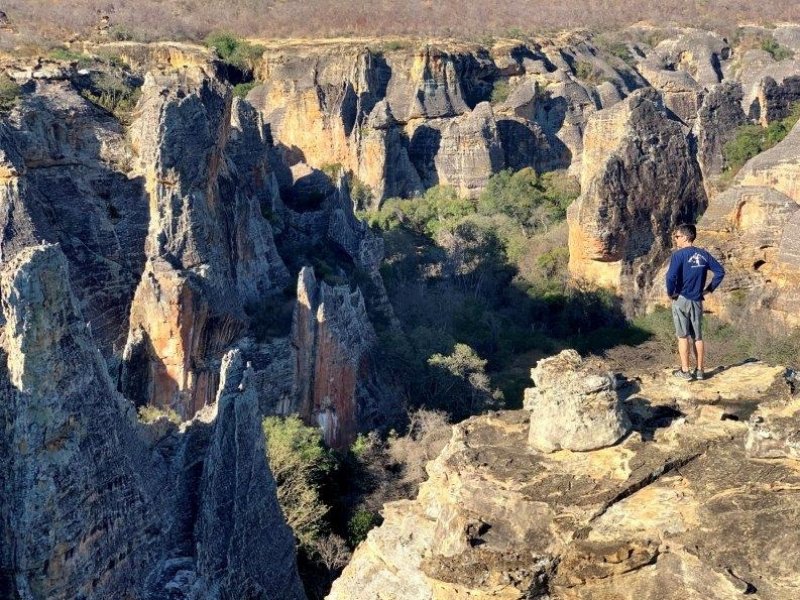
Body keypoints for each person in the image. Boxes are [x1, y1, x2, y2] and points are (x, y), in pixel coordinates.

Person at [666, 223, 725, 381]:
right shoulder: (704, 255)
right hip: (697, 299)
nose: (676, 239)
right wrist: (709, 289)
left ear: (685, 237)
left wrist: (671, 293)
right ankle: (700, 371)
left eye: (677, 236)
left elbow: (670, 277)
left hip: (681, 299)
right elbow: (720, 272)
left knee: (682, 336)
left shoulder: (678, 256)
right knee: (698, 337)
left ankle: (685, 371)